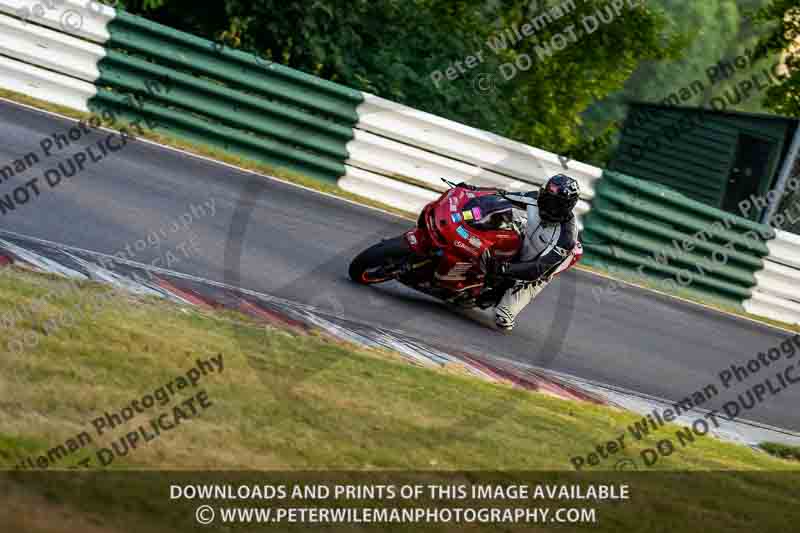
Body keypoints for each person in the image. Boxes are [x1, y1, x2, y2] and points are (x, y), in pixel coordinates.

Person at [484, 174, 583, 331]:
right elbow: (500, 195)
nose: (546, 204)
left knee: (502, 318)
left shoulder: (566, 237)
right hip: (527, 237)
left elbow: (539, 267)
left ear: (566, 206)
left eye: (554, 203)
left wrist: (505, 269)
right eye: (546, 197)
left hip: (539, 267)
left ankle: (511, 296)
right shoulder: (534, 199)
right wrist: (471, 190)